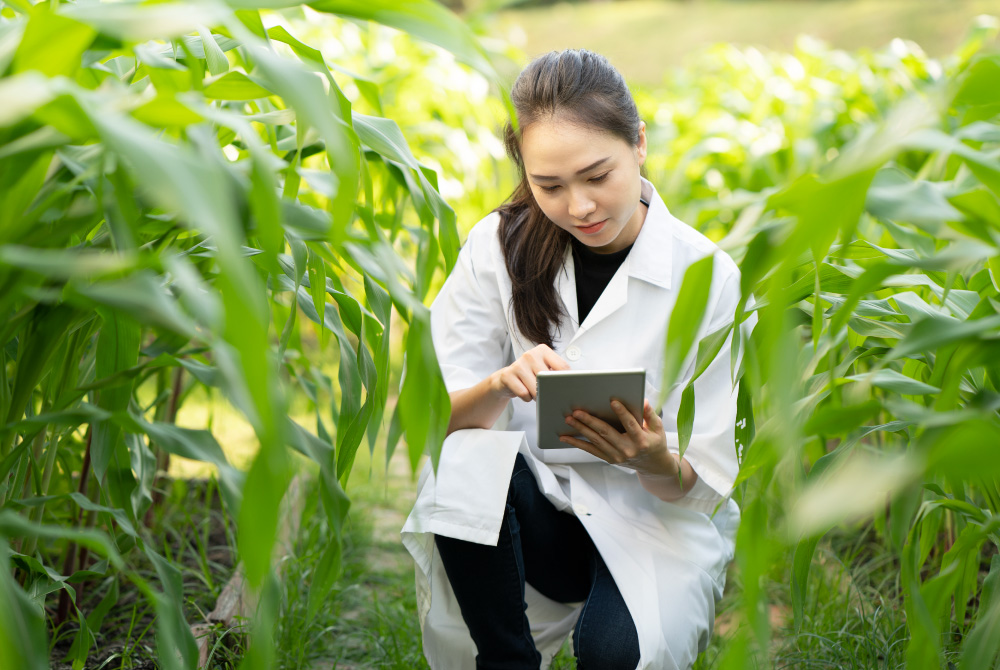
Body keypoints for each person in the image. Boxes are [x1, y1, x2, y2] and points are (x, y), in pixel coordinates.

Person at [401, 49, 753, 670]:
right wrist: (499, 387)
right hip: (539, 520)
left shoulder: (706, 277)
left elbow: (706, 482)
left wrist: (653, 458)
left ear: (639, 144)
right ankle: (507, 660)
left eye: (597, 176)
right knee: (463, 454)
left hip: (650, 520)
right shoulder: (498, 246)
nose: (581, 207)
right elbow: (431, 416)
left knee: (615, 656)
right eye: (550, 186)